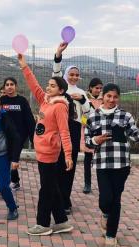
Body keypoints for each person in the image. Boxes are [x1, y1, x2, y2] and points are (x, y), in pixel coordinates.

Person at [85, 83, 139, 247]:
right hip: (102, 164)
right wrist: (95, 140)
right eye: (108, 96)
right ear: (102, 96)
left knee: (116, 200)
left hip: (122, 165)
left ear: (118, 98)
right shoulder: (92, 117)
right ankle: (105, 214)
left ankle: (111, 235)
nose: (112, 100)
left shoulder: (125, 116)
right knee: (105, 200)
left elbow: (136, 136)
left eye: (115, 97)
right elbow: (87, 141)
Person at [17, 54, 74, 236]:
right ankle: (62, 222)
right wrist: (24, 66)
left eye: (52, 86)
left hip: (50, 151)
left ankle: (42, 224)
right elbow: (34, 85)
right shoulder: (46, 100)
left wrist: (68, 155)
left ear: (61, 90)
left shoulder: (59, 107)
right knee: (52, 187)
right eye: (48, 85)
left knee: (46, 190)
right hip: (41, 151)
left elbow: (65, 132)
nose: (48, 87)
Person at [52, 42, 91, 213]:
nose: (74, 77)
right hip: (59, 128)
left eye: (77, 75)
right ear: (66, 75)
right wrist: (58, 53)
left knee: (70, 164)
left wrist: (82, 101)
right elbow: (56, 72)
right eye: (71, 74)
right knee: (57, 162)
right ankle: (56, 197)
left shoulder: (82, 93)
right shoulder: (62, 88)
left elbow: (89, 114)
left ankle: (65, 200)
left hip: (74, 129)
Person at [0, 77, 36, 191]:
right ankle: (13, 181)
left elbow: (29, 120)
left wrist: (33, 138)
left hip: (19, 136)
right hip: (5, 135)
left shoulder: (22, 101)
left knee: (14, 157)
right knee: (7, 158)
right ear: (4, 87)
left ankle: (13, 182)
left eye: (12, 84)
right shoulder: (1, 100)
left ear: (16, 86)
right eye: (7, 84)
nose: (9, 86)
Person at [81, 78, 103, 194]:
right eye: (96, 88)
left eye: (100, 88)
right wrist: (86, 121)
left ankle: (102, 184)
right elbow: (82, 114)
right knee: (87, 158)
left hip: (100, 132)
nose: (98, 90)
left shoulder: (104, 100)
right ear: (90, 88)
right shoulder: (84, 99)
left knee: (100, 159)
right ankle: (87, 183)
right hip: (88, 131)